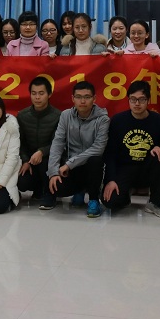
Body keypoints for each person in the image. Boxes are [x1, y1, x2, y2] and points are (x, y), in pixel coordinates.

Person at [101, 81, 160, 217]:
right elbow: (110, 154)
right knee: (110, 201)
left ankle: (155, 202)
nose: (137, 103)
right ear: (128, 100)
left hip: (148, 168)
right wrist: (110, 180)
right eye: (133, 99)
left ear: (148, 100)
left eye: (142, 99)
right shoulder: (117, 121)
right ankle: (125, 195)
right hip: (125, 168)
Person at [41, 81, 109, 218]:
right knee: (57, 187)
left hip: (89, 167)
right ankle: (79, 191)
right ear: (73, 98)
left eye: (87, 97)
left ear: (94, 99)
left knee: (96, 160)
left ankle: (93, 200)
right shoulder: (65, 115)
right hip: (71, 169)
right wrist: (53, 173)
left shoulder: (103, 119)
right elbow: (57, 143)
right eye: (78, 97)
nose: (82, 101)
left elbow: (98, 148)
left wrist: (69, 164)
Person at [16, 76, 61, 201]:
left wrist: (42, 151)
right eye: (34, 93)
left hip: (49, 159)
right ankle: (38, 187)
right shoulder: (22, 116)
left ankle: (49, 193)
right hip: (30, 160)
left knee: (45, 161)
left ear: (49, 94)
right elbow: (19, 142)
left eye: (41, 93)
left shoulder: (59, 116)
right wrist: (25, 160)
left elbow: (58, 143)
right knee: (22, 183)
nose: (37, 97)